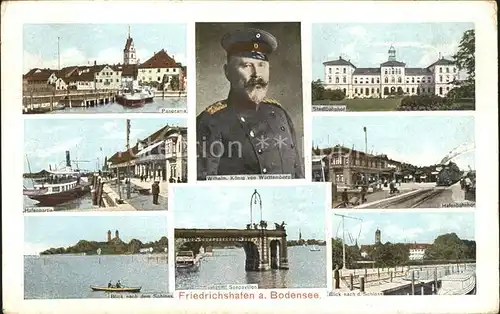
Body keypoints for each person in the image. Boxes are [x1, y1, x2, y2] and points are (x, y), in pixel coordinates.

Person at [196, 28, 304, 180]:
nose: (257, 74)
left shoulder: (280, 113)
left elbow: (298, 175)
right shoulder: (211, 121)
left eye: (262, 65)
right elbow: (205, 187)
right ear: (227, 72)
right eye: (246, 65)